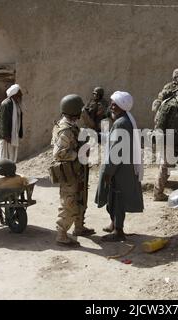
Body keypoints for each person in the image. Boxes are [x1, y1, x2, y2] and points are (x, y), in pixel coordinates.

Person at [95, 91, 144, 242]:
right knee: (113, 197)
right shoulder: (123, 121)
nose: (111, 106)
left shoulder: (121, 123)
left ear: (122, 106)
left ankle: (118, 231)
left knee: (117, 197)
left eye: (115, 104)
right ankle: (114, 223)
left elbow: (116, 152)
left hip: (119, 169)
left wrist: (109, 171)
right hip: (122, 167)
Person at [52, 94, 95, 247]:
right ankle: (61, 234)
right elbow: (59, 154)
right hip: (69, 172)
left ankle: (79, 227)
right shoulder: (65, 130)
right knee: (69, 202)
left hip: (78, 170)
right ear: (74, 111)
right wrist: (80, 153)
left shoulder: (71, 126)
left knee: (81, 198)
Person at [0, 84, 24, 163]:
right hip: (7, 136)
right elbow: (3, 120)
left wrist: (19, 132)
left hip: (13, 134)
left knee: (11, 155)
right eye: (19, 93)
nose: (21, 94)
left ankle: (10, 169)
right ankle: (5, 170)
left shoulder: (16, 104)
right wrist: (6, 136)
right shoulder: (6, 104)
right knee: (5, 155)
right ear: (15, 93)